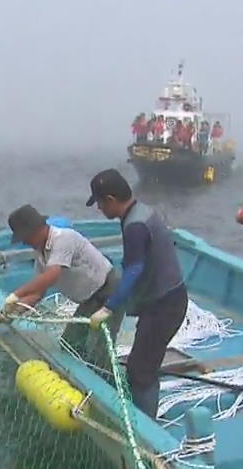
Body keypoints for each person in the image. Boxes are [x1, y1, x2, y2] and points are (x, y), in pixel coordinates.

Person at [84, 169, 189, 420]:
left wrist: (109, 307)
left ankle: (145, 429)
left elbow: (134, 269)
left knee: (141, 370)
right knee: (143, 364)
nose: (99, 208)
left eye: (99, 202)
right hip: (165, 300)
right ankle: (141, 415)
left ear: (110, 199)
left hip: (165, 306)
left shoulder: (135, 225)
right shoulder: (141, 211)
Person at [2, 204, 123, 366]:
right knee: (70, 344)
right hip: (88, 298)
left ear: (37, 229)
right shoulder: (40, 254)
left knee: (99, 350)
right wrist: (14, 310)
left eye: (26, 237)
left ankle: (107, 386)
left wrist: (16, 294)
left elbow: (52, 275)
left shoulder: (64, 238)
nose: (25, 242)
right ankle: (81, 376)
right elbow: (38, 293)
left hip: (110, 289)